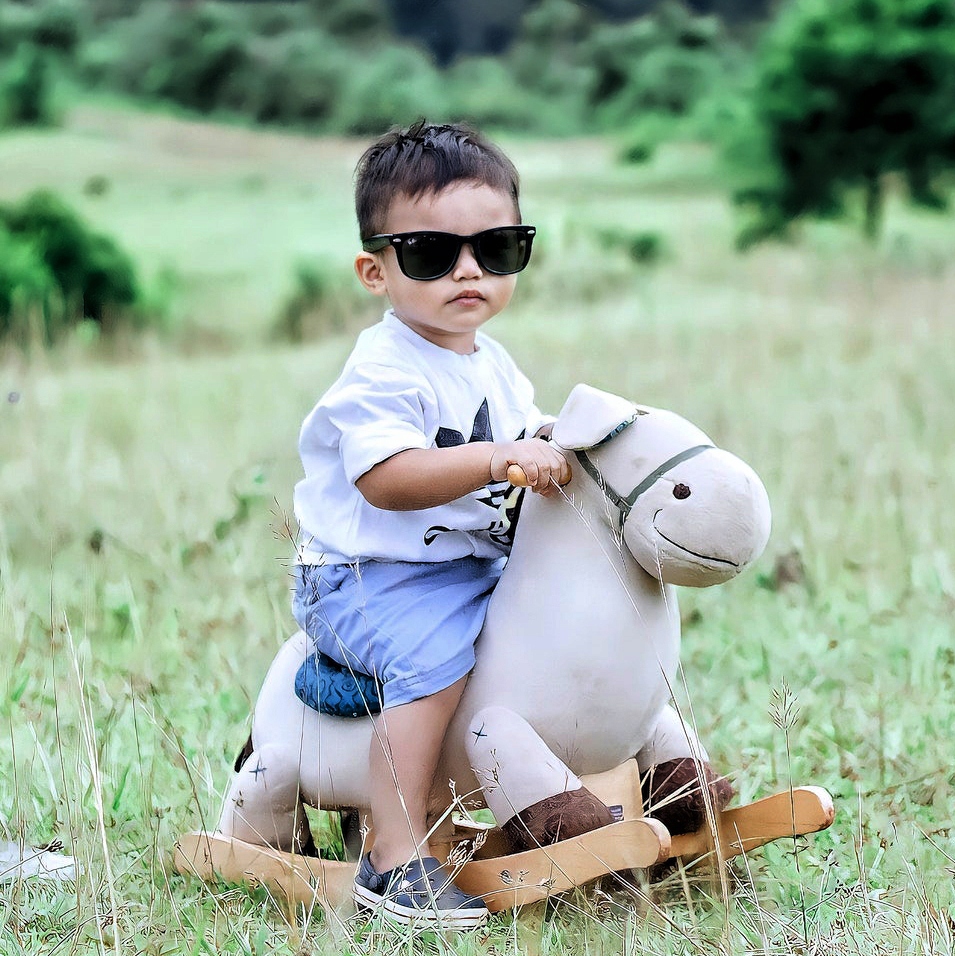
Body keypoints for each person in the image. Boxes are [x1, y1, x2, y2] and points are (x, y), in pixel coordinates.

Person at [290, 120, 567, 930]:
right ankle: (393, 854)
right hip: (367, 575)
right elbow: (387, 479)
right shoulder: (382, 370)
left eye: (497, 248)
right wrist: (496, 457)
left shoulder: (491, 358)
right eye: (431, 254)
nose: (468, 270)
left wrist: (561, 442)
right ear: (375, 271)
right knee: (436, 660)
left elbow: (529, 429)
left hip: (465, 564)